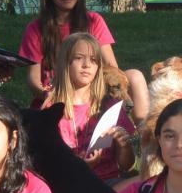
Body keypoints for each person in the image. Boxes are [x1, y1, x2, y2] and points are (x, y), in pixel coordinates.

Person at [19, 0, 148, 119]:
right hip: (55, 97)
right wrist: (50, 96)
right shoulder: (36, 28)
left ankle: (143, 130)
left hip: (90, 93)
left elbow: (112, 68)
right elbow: (33, 79)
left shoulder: (94, 21)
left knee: (135, 76)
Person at [45, 31, 136, 183]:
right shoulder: (52, 108)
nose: (86, 65)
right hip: (68, 183)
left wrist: (124, 146)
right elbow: (45, 163)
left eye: (93, 60)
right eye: (79, 58)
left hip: (109, 183)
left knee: (150, 183)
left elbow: (127, 166)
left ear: (99, 67)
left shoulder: (110, 105)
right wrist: (79, 166)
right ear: (65, 62)